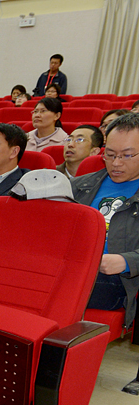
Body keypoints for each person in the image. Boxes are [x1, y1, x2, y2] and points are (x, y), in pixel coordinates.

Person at [70, 113, 139, 328]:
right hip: (70, 265)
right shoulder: (79, 186)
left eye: (127, 155)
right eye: (109, 155)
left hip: (114, 279)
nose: (116, 163)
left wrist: (126, 261)